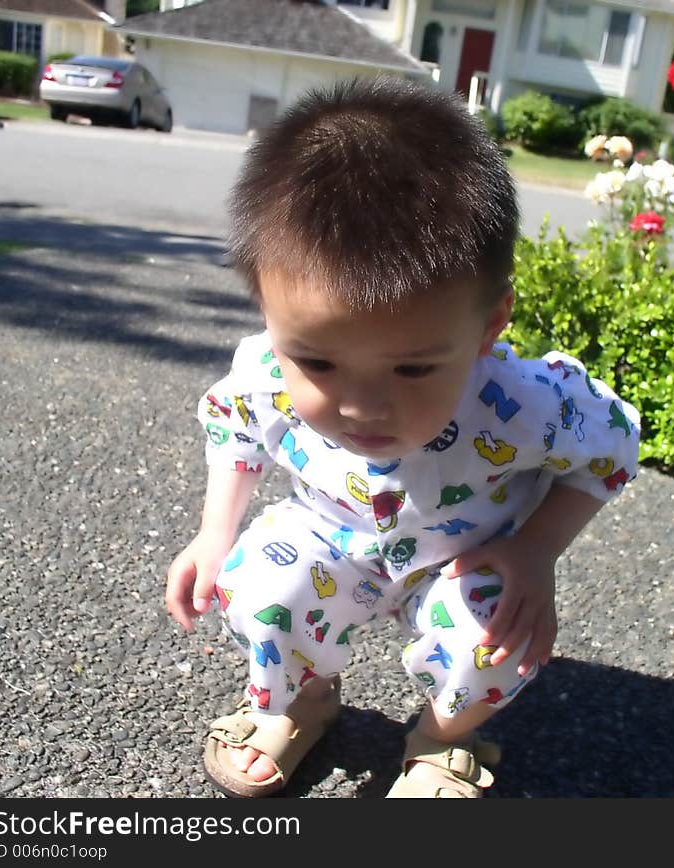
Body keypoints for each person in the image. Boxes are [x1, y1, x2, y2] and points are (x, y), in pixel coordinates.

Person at [165, 77, 641, 799]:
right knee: (259, 580)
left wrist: (535, 548)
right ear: (267, 310)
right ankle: (303, 699)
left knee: (496, 630)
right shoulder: (266, 370)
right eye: (317, 361)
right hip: (328, 534)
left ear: (488, 325)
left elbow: (610, 448)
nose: (361, 405)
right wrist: (212, 531)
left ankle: (443, 738)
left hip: (460, 557)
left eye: (414, 367)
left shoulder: (528, 402)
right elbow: (236, 425)